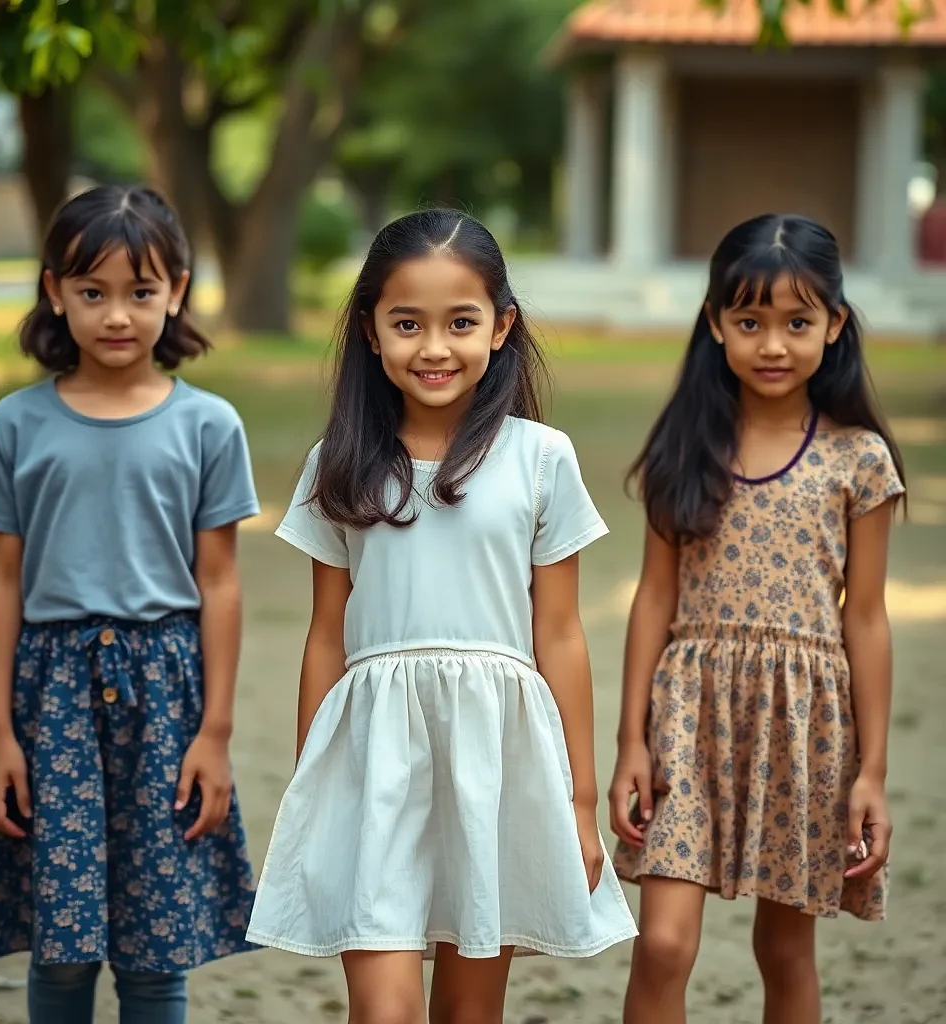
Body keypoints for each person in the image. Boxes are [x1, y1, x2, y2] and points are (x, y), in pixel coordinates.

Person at [246, 209, 637, 1023]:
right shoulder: (340, 463)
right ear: (370, 331)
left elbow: (559, 632)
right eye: (407, 324)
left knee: (469, 1010)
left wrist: (578, 799)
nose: (434, 347)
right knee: (384, 1010)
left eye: (461, 322)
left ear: (502, 327)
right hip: (374, 755)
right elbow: (327, 633)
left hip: (498, 759)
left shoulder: (541, 458)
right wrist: (314, 785)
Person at [0, 185, 260, 1024]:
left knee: (156, 955)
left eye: (141, 291)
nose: (117, 315)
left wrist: (216, 734)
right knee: (62, 951)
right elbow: (0, 581)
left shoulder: (210, 427)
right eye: (93, 292)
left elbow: (222, 583)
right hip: (48, 695)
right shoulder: (17, 425)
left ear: (180, 290)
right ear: (54, 290)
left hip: (166, 696)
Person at [608, 213, 906, 1024]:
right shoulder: (686, 444)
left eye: (797, 323)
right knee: (663, 944)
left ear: (835, 325)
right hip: (688, 718)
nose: (772, 344)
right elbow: (654, 598)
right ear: (716, 324)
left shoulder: (860, 459)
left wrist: (870, 771)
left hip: (803, 723)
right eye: (749, 322)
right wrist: (631, 739)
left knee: (784, 952)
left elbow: (869, 621)